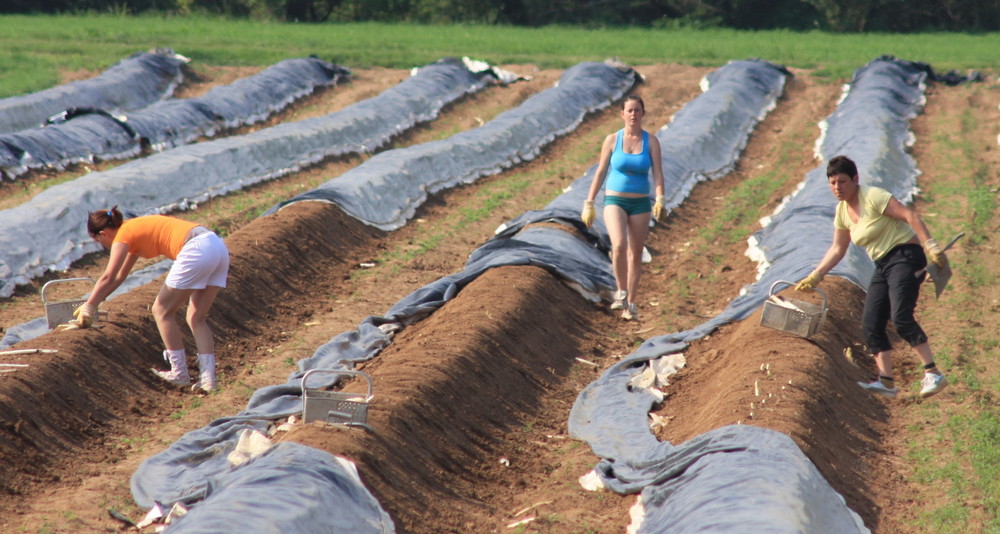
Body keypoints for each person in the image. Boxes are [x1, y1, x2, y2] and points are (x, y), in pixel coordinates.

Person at [795, 155, 948, 399]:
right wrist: (816, 275)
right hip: (883, 264)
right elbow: (838, 248)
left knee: (900, 317)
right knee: (871, 322)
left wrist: (930, 245)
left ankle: (933, 373)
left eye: (842, 182)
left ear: (856, 179)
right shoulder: (842, 211)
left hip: (905, 255)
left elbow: (910, 216)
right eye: (833, 183)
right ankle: (886, 381)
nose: (837, 188)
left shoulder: (873, 196)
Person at [66, 206, 229, 392]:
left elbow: (108, 276)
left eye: (99, 242)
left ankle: (179, 372)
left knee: (161, 311)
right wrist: (95, 303)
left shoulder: (123, 235)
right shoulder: (133, 229)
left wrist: (89, 305)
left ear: (102, 234)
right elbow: (119, 277)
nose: (104, 247)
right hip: (216, 244)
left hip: (196, 249)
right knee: (196, 318)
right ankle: (208, 380)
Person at [581, 95, 666, 320]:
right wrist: (589, 202)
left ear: (643, 114)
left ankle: (631, 304)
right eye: (629, 110)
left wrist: (660, 199)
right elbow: (600, 172)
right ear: (622, 114)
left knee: (636, 252)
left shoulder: (651, 142)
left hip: (640, 203)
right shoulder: (612, 140)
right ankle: (621, 292)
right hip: (614, 200)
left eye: (637, 110)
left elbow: (658, 172)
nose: (633, 114)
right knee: (618, 244)